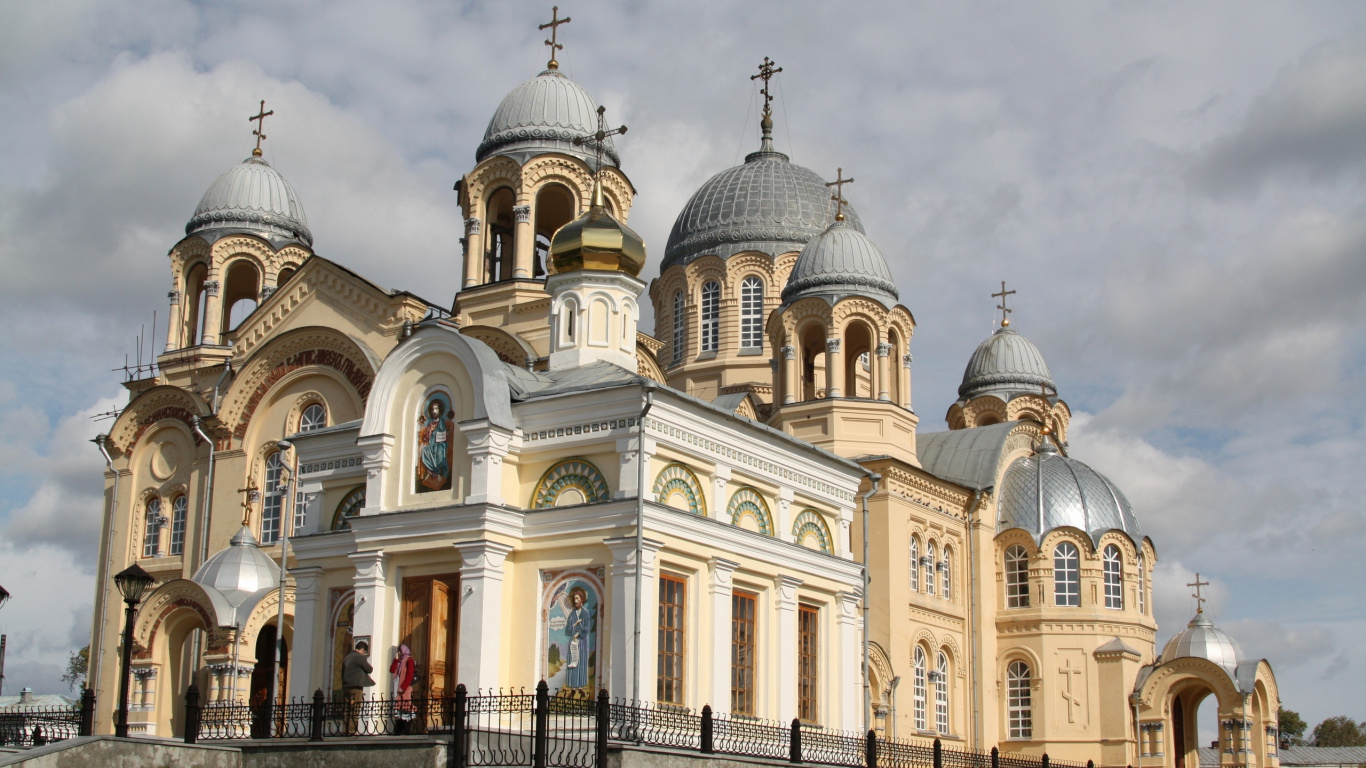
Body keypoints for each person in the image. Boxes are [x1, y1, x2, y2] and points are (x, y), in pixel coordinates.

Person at [341, 640, 374, 735]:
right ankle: (352, 730)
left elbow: (342, 672)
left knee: (347, 709)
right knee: (355, 708)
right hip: (356, 687)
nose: (364, 653)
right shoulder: (359, 657)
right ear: (362, 649)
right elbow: (369, 669)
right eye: (364, 651)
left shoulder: (347, 657)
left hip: (346, 686)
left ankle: (345, 730)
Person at [390, 644, 417, 734]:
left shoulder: (409, 660)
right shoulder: (399, 661)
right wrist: (396, 659)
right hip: (398, 687)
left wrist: (403, 687)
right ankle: (399, 729)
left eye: (400, 651)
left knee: (406, 707)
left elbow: (409, 674)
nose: (399, 653)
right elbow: (392, 670)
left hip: (405, 688)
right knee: (399, 708)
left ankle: (406, 730)